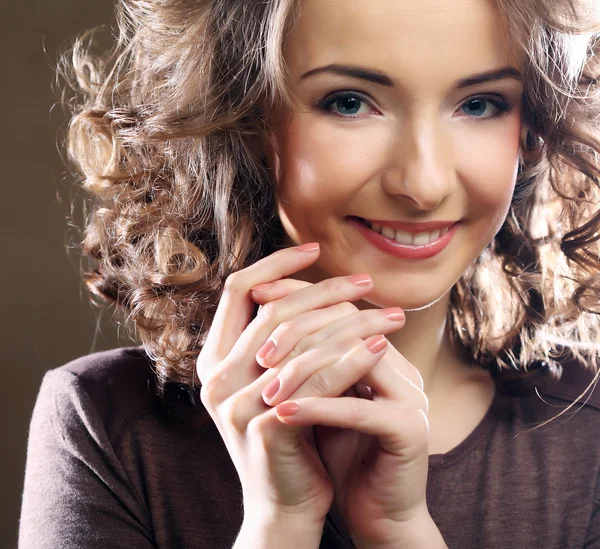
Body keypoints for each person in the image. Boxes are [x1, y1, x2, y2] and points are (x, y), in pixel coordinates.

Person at [18, 0, 600, 547]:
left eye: (479, 104)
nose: (423, 185)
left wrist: (398, 532)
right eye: (350, 101)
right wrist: (278, 523)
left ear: (531, 128)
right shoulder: (105, 425)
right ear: (247, 122)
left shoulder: (588, 437)